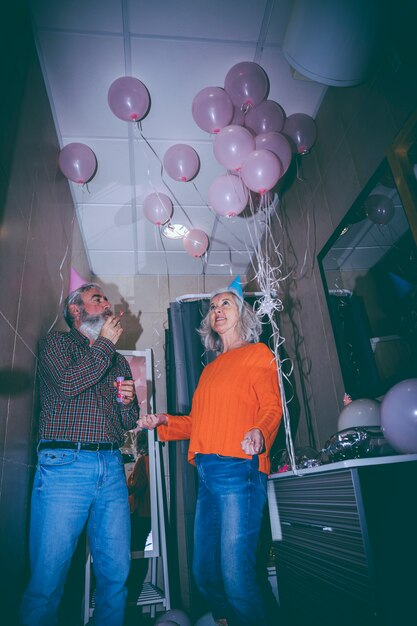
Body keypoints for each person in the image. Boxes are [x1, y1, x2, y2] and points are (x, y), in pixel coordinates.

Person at [137, 280, 282, 626]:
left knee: (237, 578)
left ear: (242, 314)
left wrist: (259, 431)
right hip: (205, 474)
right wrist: (163, 421)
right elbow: (198, 423)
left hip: (239, 469)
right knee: (205, 573)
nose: (217, 310)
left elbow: (272, 407)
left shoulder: (258, 354)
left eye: (225, 304)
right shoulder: (210, 368)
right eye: (213, 307)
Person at [19, 283, 139, 626]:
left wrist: (128, 402)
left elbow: (127, 422)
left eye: (106, 298)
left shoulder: (116, 361)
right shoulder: (58, 344)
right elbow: (69, 383)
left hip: (112, 466)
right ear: (76, 310)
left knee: (115, 576)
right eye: (97, 298)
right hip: (64, 467)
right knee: (47, 580)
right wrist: (105, 342)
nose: (107, 303)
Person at [126, 431, 152, 603]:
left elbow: (137, 486)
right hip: (149, 513)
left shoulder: (143, 461)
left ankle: (133, 587)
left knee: (135, 552)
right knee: (140, 550)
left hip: (140, 512)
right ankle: (137, 585)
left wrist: (127, 482)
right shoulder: (153, 460)